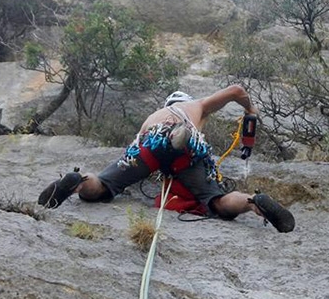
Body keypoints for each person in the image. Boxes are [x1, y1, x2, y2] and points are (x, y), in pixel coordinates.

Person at [38, 85, 295, 233]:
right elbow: (237, 90)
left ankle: (79, 182)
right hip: (187, 149)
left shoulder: (156, 114)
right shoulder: (196, 106)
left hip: (149, 143)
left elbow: (136, 151)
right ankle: (253, 202)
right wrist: (250, 109)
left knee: (105, 185)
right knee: (215, 201)